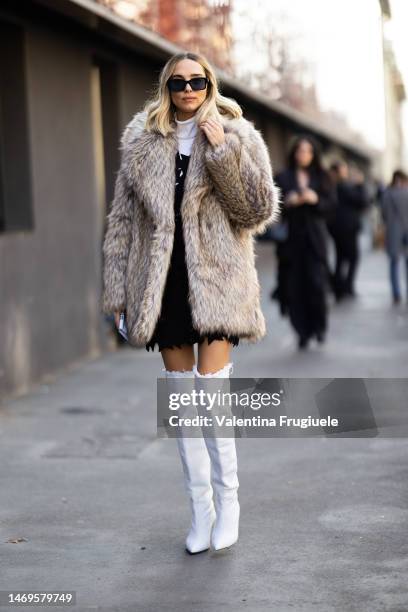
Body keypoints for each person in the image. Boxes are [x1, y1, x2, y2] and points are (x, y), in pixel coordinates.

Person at [101, 51, 281, 553]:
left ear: (210, 85)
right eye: (178, 82)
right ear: (166, 87)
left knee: (211, 398)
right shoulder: (141, 141)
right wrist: (117, 292)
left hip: (217, 280)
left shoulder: (237, 134)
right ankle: (200, 512)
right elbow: (121, 221)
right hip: (161, 281)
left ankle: (230, 504)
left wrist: (222, 152)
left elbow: (256, 211)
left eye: (197, 81)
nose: (187, 89)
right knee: (182, 406)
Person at [275, 135, 337, 350]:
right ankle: (301, 331)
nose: (304, 155)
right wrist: (288, 202)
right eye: (300, 151)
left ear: (314, 154)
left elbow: (332, 206)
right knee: (294, 289)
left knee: (316, 286)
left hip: (315, 241)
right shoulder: (283, 177)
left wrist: (315, 199)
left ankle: (319, 327)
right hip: (290, 243)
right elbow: (271, 207)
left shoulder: (323, 177)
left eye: (308, 151)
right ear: (294, 153)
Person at [327, 161, 370, 300]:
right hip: (346, 229)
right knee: (353, 257)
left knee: (340, 258)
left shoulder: (333, 185)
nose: (346, 172)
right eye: (344, 169)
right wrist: (360, 184)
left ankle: (340, 287)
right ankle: (345, 286)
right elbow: (363, 201)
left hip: (337, 228)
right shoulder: (343, 186)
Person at [380, 170, 408, 304]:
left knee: (393, 264)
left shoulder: (387, 194)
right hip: (406, 231)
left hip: (393, 232)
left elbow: (384, 214)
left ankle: (396, 293)